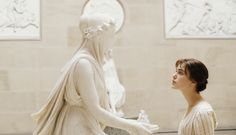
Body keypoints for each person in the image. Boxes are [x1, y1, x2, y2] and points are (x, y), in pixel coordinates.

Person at [31, 13, 156, 135]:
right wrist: (131, 126)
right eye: (111, 36)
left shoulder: (92, 62)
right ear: (98, 36)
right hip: (78, 125)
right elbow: (96, 110)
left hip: (86, 122)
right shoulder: (84, 64)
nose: (113, 42)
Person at [171, 58, 217, 135]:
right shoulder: (193, 107)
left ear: (193, 81)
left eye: (180, 72)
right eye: (176, 71)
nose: (174, 75)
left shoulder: (202, 112)